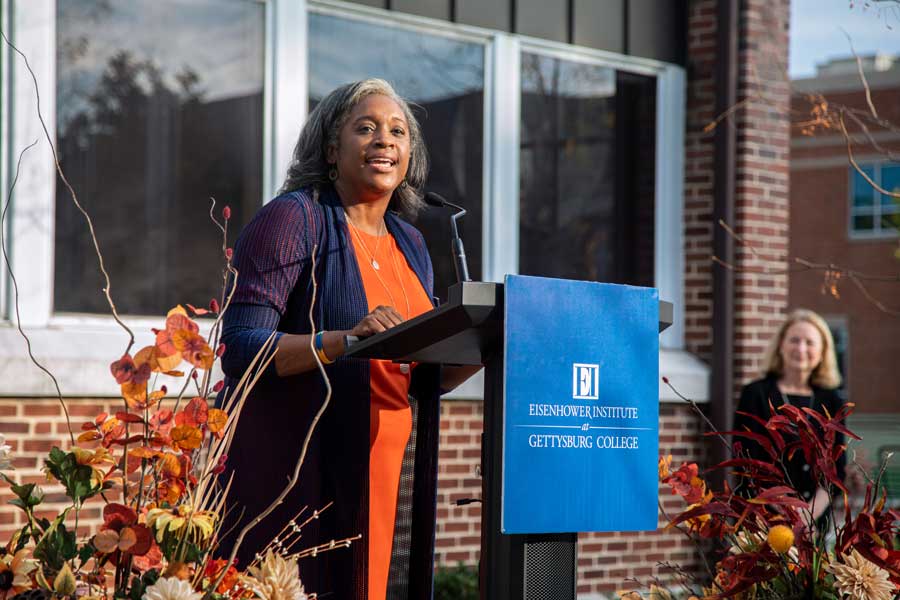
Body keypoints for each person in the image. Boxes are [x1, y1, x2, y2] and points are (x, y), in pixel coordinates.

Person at [218, 79, 476, 600]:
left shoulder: (411, 241)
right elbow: (240, 348)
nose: (386, 140)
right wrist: (340, 341)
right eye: (367, 128)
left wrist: (485, 345)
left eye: (398, 132)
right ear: (332, 149)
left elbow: (424, 368)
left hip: (386, 470)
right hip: (301, 471)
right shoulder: (295, 218)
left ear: (409, 156)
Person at [733, 308, 845, 527]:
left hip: (815, 521)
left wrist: (810, 513)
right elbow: (746, 461)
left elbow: (836, 469)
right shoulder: (755, 394)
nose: (801, 348)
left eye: (810, 342)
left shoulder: (831, 400)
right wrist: (787, 510)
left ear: (823, 351)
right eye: (794, 340)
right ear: (781, 346)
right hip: (764, 519)